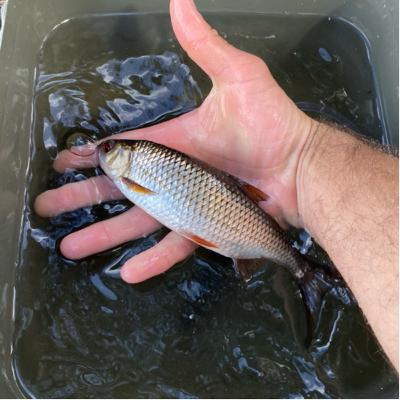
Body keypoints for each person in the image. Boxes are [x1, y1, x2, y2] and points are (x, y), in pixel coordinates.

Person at [34, 0, 398, 369]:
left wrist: (304, 158)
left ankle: (307, 272)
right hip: (229, 223)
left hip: (233, 223)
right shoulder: (134, 172)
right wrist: (305, 161)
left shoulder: (131, 173)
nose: (103, 150)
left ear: (126, 158)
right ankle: (305, 270)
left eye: (110, 148)